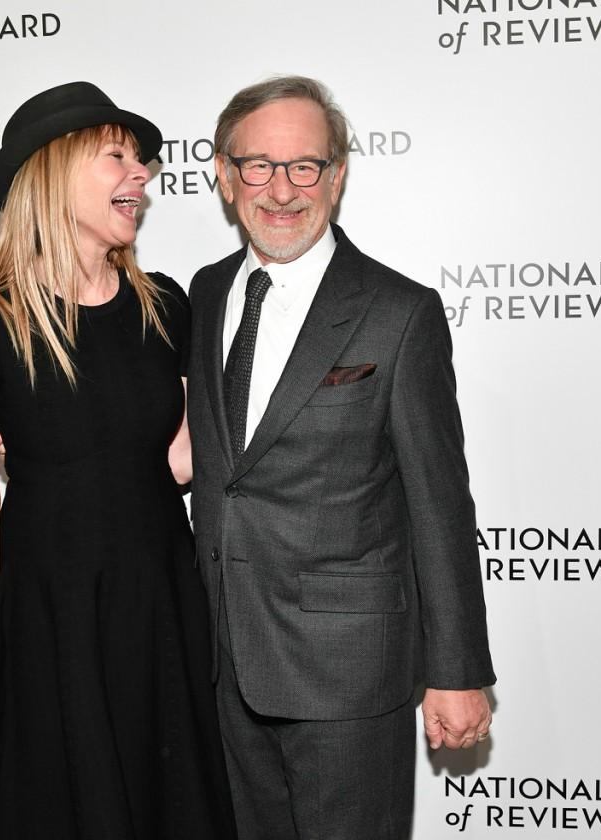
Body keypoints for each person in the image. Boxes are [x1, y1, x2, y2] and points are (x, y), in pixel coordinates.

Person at [186, 75, 496, 840]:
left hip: (348, 675)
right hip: (218, 662)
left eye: (305, 166)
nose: (282, 190)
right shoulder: (204, 291)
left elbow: (440, 504)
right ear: (225, 177)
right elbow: (207, 454)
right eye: (258, 165)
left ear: (339, 174)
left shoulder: (399, 313)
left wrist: (457, 672)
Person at [0, 81, 235, 840]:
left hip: (161, 599)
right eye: (118, 157)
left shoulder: (166, 305)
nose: (142, 176)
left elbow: (181, 464)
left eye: (143, 162)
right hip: (52, 609)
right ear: (56, 171)